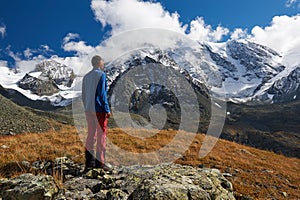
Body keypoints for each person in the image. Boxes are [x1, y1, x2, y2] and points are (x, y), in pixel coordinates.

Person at [82, 55, 111, 171]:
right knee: (101, 135)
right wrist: (107, 109)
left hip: (88, 109)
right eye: (103, 62)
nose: (103, 64)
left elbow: (83, 95)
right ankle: (100, 163)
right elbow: (102, 94)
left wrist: (87, 106)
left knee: (90, 135)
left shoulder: (86, 77)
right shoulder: (101, 75)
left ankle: (89, 163)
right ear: (99, 63)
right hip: (99, 110)